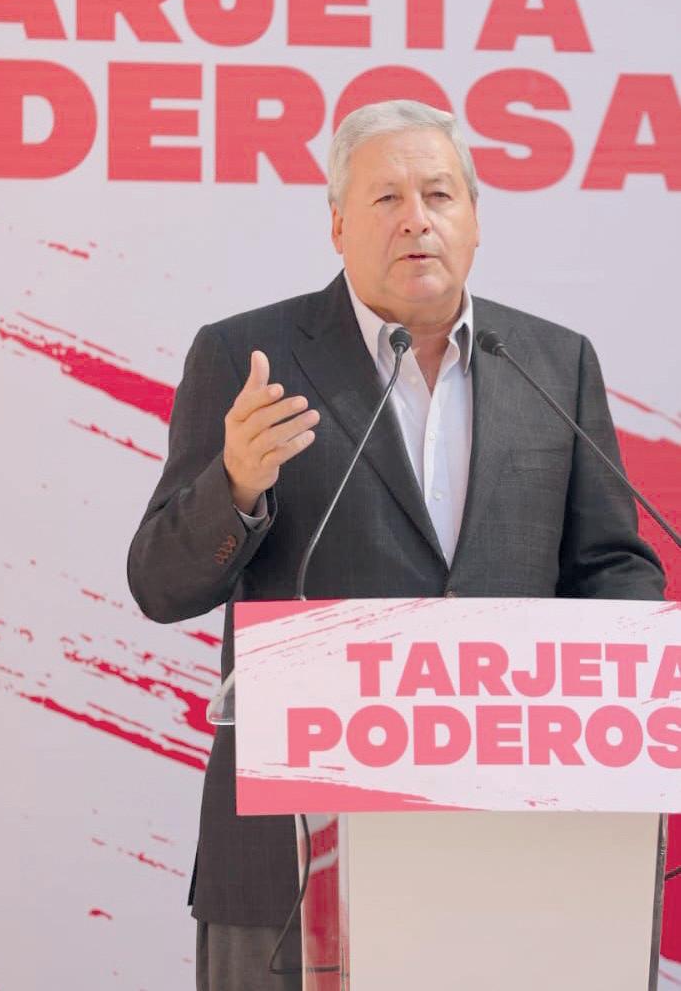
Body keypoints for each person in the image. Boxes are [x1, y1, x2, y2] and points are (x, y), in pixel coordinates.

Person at [127, 99, 665, 991]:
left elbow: (610, 566)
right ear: (337, 223)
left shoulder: (552, 361)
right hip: (296, 863)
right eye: (385, 198)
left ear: (475, 218)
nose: (416, 218)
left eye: (439, 194)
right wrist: (237, 485)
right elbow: (159, 583)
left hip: (518, 854)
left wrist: (632, 666)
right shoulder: (247, 356)